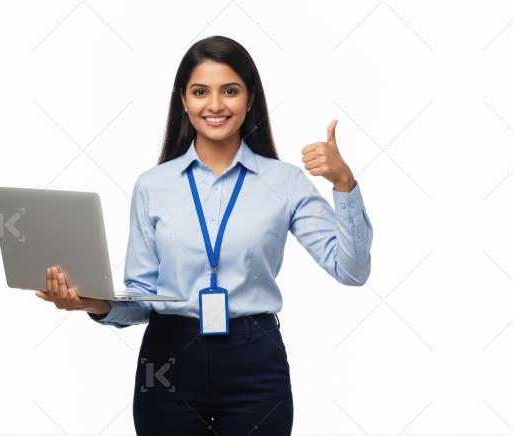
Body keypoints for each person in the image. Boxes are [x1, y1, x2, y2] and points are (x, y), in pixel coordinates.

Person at [33, 35, 373, 434]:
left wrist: (344, 183)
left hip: (255, 360)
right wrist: (93, 303)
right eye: (200, 92)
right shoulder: (152, 186)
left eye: (230, 91)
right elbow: (143, 296)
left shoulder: (286, 182)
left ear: (250, 100)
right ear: (183, 100)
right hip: (167, 358)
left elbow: (351, 270)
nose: (214, 105)